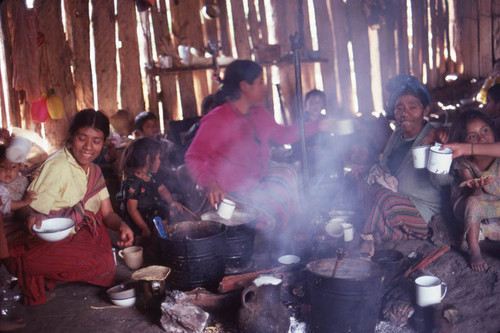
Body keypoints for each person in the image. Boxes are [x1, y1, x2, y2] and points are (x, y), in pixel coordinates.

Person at [185, 60, 335, 230]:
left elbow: (282, 134)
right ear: (244, 86)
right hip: (228, 192)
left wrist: (318, 125)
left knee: (288, 173)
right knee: (269, 210)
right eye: (260, 82)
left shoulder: (259, 114)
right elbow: (192, 157)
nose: (264, 87)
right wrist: (211, 183)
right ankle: (272, 235)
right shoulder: (217, 119)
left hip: (255, 182)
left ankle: (290, 232)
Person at [5, 109, 134, 305]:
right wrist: (30, 218)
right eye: (82, 138)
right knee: (97, 263)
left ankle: (49, 271)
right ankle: (29, 268)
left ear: (104, 142)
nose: (88, 147)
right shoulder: (57, 167)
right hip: (46, 237)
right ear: (71, 136)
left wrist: (121, 225)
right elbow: (27, 206)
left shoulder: (95, 171)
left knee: (105, 266)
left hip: (75, 230)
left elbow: (107, 213)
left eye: (96, 141)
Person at [360, 79, 444, 256]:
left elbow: (444, 181)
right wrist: (373, 172)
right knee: (367, 186)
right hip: (396, 200)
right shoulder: (397, 134)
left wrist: (436, 154)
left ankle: (368, 237)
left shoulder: (435, 137)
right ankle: (398, 234)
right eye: (399, 108)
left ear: (425, 110)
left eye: (412, 107)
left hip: (423, 211)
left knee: (382, 197)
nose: (404, 113)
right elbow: (383, 166)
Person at [442, 110, 500, 271]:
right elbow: (472, 196)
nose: (481, 138)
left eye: (485, 131)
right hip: (470, 202)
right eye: (472, 136)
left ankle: (488, 230)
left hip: (495, 203)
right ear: (464, 142)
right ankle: (474, 249)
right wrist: (477, 188)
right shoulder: (464, 164)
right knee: (473, 203)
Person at [117, 137, 183, 243]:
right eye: (158, 158)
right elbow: (132, 210)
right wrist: (145, 228)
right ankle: (152, 247)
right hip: (138, 222)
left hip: (153, 215)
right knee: (147, 238)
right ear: (148, 159)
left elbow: (162, 190)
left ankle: (159, 242)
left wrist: (171, 202)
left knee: (165, 218)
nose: (160, 162)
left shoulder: (151, 176)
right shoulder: (132, 183)